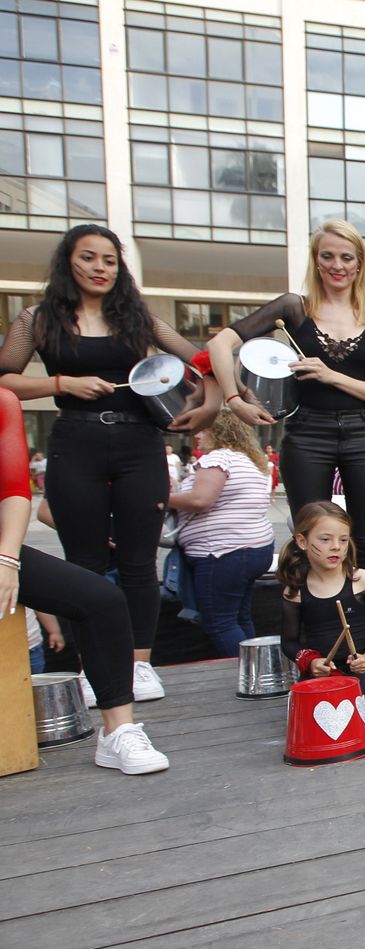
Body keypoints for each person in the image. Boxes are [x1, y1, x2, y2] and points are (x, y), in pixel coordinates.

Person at [0, 224, 210, 704]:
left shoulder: (140, 319)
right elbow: (5, 379)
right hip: (76, 441)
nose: (100, 268)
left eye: (109, 260)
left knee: (139, 563)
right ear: (68, 262)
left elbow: (201, 360)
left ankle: (138, 665)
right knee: (86, 566)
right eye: (89, 258)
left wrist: (208, 403)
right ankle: (93, 669)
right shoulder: (37, 319)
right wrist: (60, 385)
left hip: (140, 441)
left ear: (120, 267)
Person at [207, 219, 365, 582]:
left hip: (364, 433)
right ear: (316, 261)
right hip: (308, 430)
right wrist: (234, 399)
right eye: (327, 256)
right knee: (308, 538)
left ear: (359, 263)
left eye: (346, 257)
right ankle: (313, 630)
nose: (337, 265)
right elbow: (219, 344)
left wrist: (331, 375)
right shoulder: (294, 308)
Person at [0, 386, 168, 773]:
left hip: (2, 552)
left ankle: (117, 732)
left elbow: (13, 492)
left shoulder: (4, 402)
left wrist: (8, 558)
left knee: (101, 598)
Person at [165, 411, 275, 657]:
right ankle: (257, 669)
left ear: (217, 431)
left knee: (220, 622)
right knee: (239, 616)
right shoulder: (248, 461)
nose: (198, 435)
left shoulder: (218, 458)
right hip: (253, 547)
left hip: (221, 551)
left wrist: (163, 498)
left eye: (203, 429)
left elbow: (201, 499)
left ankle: (244, 671)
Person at [278, 501, 365, 724]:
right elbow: (288, 642)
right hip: (322, 670)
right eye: (325, 539)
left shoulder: (362, 580)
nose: (336, 547)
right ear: (302, 541)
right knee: (311, 720)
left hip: (362, 667)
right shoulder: (295, 590)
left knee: (363, 716)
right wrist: (312, 663)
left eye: (343, 540)